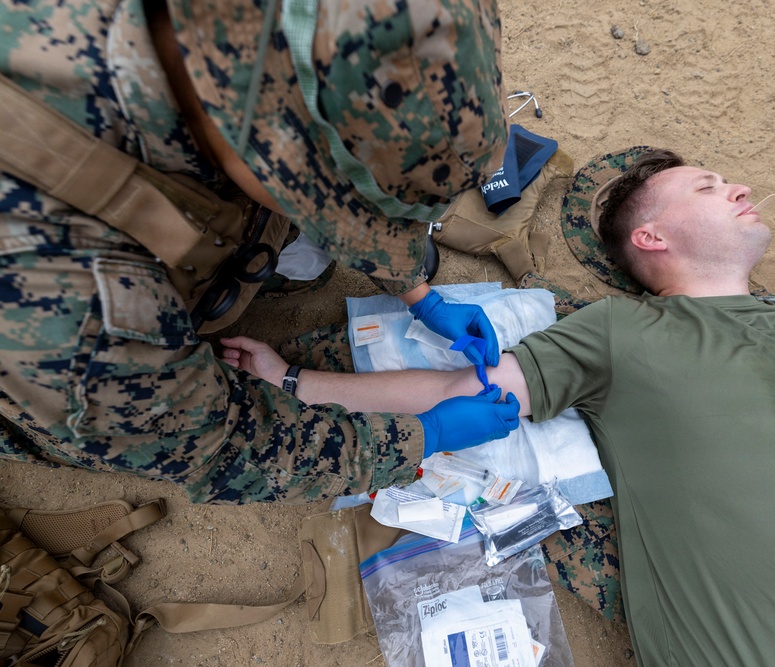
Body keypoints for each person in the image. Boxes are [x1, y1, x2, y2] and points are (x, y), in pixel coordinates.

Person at [223, 147, 775, 666]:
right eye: (708, 187)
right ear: (651, 237)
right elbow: (459, 390)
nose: (740, 188)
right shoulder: (620, 332)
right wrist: (295, 380)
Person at [0, 0, 521, 504]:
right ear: (249, 142)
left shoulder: (230, 44)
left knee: (302, 252)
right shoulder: (71, 298)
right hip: (47, 350)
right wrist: (421, 436)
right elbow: (221, 450)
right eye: (330, 207)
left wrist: (419, 296)